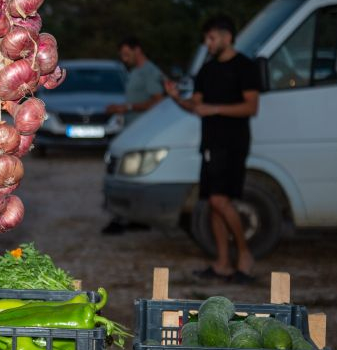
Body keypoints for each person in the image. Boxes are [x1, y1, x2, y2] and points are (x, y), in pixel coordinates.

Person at [165, 15, 260, 283]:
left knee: (221, 200)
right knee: (213, 203)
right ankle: (222, 264)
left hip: (233, 144)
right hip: (210, 145)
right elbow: (196, 107)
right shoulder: (207, 70)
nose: (208, 43)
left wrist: (216, 108)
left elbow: (251, 107)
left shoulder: (245, 67)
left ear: (227, 37)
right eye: (206, 39)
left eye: (212, 38)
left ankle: (245, 255)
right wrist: (176, 98)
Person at [101, 36, 165, 235]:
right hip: (132, 129)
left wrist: (126, 107)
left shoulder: (149, 72)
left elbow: (158, 100)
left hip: (143, 133)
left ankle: (120, 218)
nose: (124, 58)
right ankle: (134, 217)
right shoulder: (135, 71)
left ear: (137, 50)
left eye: (126, 54)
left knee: (123, 172)